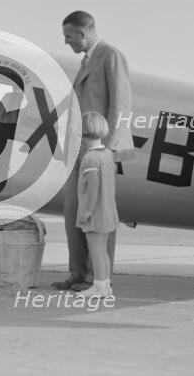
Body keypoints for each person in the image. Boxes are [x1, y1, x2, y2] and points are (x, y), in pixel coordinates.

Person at [52, 10, 134, 291]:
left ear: (82, 33)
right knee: (74, 211)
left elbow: (121, 106)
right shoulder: (88, 60)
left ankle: (98, 278)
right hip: (79, 149)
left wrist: (109, 149)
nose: (66, 43)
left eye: (68, 36)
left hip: (98, 150)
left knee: (97, 216)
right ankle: (77, 272)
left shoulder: (111, 56)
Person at [74, 112, 118, 297]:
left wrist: (86, 211)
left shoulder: (90, 158)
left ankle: (99, 286)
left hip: (95, 213)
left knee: (96, 250)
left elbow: (93, 187)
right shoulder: (107, 155)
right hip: (108, 211)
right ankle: (105, 285)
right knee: (103, 250)